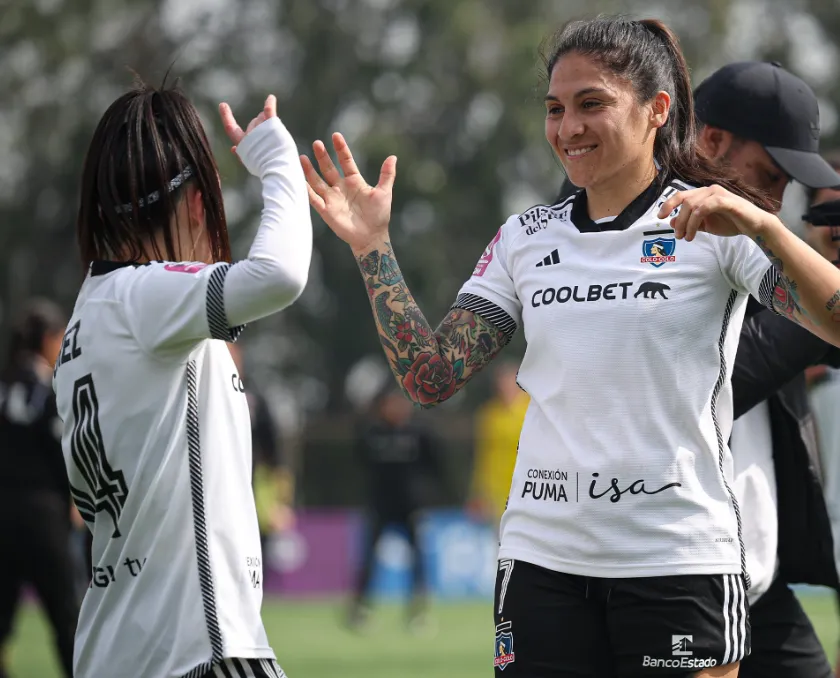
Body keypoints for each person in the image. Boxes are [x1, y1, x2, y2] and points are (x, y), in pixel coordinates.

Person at [302, 15, 840, 677]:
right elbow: (431, 377)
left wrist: (764, 224)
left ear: (656, 110)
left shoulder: (716, 225)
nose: (568, 127)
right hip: (542, 563)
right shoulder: (525, 237)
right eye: (556, 108)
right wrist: (372, 249)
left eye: (593, 104)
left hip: (677, 560)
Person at [558, 64, 840, 678]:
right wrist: (815, 293)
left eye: (787, 186)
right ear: (710, 141)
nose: (777, 202)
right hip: (657, 582)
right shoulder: (603, 233)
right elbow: (715, 379)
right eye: (768, 176)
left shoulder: (758, 245)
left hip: (756, 588)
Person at [52, 80, 312, 678]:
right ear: (198, 202)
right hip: (198, 649)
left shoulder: (83, 323)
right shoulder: (145, 298)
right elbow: (279, 274)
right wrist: (277, 160)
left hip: (111, 652)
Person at [0, 299, 82, 678]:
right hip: (44, 518)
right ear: (49, 340)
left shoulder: (4, 387)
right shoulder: (51, 390)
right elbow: (63, 451)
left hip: (3, 517)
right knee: (67, 621)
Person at [347, 383, 440, 633]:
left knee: (418, 560)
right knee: (369, 560)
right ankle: (360, 611)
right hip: (380, 506)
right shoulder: (372, 433)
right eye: (390, 404)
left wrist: (427, 498)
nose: (396, 409)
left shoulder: (418, 433)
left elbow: (434, 466)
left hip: (410, 507)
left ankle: (417, 612)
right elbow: (359, 458)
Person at [467, 362, 528, 528]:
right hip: (495, 492)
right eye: (501, 381)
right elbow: (482, 456)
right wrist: (477, 492)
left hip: (525, 487)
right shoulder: (489, 414)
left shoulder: (532, 411)